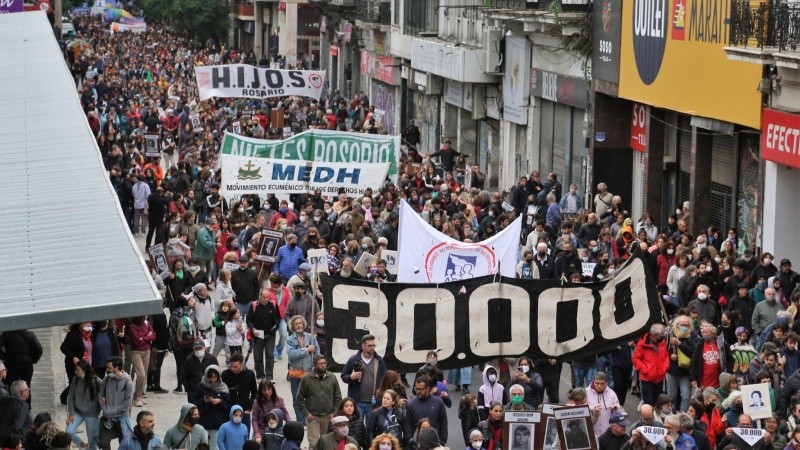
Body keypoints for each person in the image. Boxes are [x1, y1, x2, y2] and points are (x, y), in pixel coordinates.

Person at [296, 355, 343, 449]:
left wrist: (334, 412)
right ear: (315, 365)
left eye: (324, 363)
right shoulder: (307, 379)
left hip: (328, 416)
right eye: (320, 363)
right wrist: (306, 413)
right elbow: (299, 398)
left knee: (326, 443)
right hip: (313, 417)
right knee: (313, 443)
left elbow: (338, 397)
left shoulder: (332, 377)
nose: (323, 365)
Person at [341, 335, 387, 422]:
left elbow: (385, 379)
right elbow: (343, 376)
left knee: (372, 427)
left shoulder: (379, 361)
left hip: (374, 403)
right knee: (358, 427)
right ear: (363, 346)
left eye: (373, 345)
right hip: (357, 402)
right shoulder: (353, 360)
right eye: (369, 345)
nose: (372, 348)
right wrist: (351, 377)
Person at [286, 315, 320, 424]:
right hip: (295, 374)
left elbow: (317, 353)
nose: (298, 325)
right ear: (293, 326)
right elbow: (291, 354)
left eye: (300, 323)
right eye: (296, 324)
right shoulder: (290, 339)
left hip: (309, 374)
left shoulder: (311, 337)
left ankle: (310, 419)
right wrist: (306, 350)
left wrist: (317, 365)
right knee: (297, 399)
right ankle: (301, 422)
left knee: (310, 398)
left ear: (303, 324)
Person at [190, 365, 231, 449]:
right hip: (203, 422)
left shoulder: (223, 388)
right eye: (210, 377)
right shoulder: (201, 387)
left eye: (215, 377)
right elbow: (193, 403)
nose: (212, 380)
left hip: (218, 423)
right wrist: (204, 400)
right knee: (202, 446)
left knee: (215, 447)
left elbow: (228, 406)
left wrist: (220, 401)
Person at [98, 357, 134, 450]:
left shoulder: (128, 382)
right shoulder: (107, 379)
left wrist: (112, 411)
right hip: (107, 418)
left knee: (125, 443)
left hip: (122, 418)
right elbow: (101, 394)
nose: (107, 370)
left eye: (109, 368)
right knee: (104, 443)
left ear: (116, 368)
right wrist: (104, 408)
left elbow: (127, 402)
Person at [246, 288, 281, 380]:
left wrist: (274, 329)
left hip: (270, 334)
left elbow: (278, 319)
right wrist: (253, 329)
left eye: (267, 297)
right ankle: (260, 376)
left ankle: (269, 376)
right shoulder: (254, 305)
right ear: (260, 296)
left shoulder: (273, 304)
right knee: (258, 356)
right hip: (258, 334)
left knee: (270, 355)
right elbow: (248, 320)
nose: (266, 299)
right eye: (264, 297)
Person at [66, 360, 102, 450]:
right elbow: (70, 397)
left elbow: (104, 394)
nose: (75, 371)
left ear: (84, 370)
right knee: (69, 431)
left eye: (77, 370)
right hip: (78, 412)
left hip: (92, 414)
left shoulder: (96, 381)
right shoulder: (75, 379)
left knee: (92, 442)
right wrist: (71, 413)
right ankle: (82, 445)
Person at [632, 323, 670, 406]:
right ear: (656, 335)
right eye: (661, 334)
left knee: (657, 401)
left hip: (659, 377)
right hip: (646, 378)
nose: (663, 335)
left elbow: (666, 356)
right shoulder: (642, 343)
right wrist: (645, 370)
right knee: (648, 402)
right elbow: (635, 359)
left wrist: (665, 367)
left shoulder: (662, 342)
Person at [220, 352, 258, 434]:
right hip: (229, 410)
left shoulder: (250, 374)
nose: (232, 369)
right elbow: (222, 392)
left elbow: (254, 393)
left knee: (245, 434)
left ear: (241, 364)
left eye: (235, 366)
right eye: (231, 366)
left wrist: (249, 408)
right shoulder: (225, 374)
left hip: (244, 410)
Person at [404, 376, 448, 445]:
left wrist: (442, 442)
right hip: (417, 444)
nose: (418, 391)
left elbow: (443, 423)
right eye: (416, 389)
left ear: (427, 389)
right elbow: (408, 426)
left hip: (435, 443)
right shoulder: (411, 404)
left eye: (420, 389)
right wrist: (410, 442)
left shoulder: (438, 403)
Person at [587, 371, 621, 436]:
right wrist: (593, 408)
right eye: (597, 383)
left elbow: (618, 413)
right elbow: (582, 408)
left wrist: (616, 409)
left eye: (602, 383)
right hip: (591, 431)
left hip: (606, 432)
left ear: (606, 383)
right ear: (593, 382)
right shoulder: (586, 392)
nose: (599, 386)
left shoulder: (612, 394)